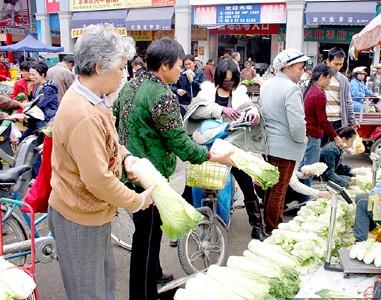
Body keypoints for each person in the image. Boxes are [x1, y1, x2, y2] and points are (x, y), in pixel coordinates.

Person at [114, 38, 231, 300]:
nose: (182, 71)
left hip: (130, 170)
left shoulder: (130, 85)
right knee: (146, 237)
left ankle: (154, 272)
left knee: (148, 230)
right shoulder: (163, 95)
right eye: (179, 66)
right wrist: (210, 155)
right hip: (149, 178)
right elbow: (180, 142)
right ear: (165, 65)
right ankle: (142, 294)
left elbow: (116, 118)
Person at [47, 24, 154, 300]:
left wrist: (126, 157)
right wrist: (138, 201)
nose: (124, 75)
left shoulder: (94, 99)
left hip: (91, 214)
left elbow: (110, 142)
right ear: (98, 67)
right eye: (120, 68)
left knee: (103, 284)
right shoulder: (84, 114)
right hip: (78, 218)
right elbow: (97, 180)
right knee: (89, 292)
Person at [184, 59, 267, 240]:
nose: (228, 84)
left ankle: (257, 227)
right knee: (189, 186)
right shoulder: (206, 92)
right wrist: (221, 109)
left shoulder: (240, 95)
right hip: (207, 147)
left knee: (246, 184)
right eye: (225, 80)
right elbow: (194, 111)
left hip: (231, 148)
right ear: (219, 78)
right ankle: (182, 227)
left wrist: (253, 114)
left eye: (232, 80)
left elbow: (251, 108)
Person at [260, 48, 309, 233]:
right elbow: (297, 124)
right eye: (299, 68)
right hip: (285, 146)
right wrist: (301, 139)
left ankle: (268, 224)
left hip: (269, 144)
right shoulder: (291, 89)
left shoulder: (267, 85)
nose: (302, 71)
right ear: (287, 68)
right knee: (279, 190)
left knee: (271, 188)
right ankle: (274, 228)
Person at [297, 64, 344, 202]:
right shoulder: (318, 94)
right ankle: (304, 200)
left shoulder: (312, 89)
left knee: (303, 168)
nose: (329, 81)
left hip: (308, 133)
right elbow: (323, 120)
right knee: (309, 171)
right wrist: (336, 137)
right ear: (322, 77)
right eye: (328, 78)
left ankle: (300, 197)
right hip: (313, 135)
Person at [323, 48, 358, 139]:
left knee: (336, 149)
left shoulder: (343, 80)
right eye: (336, 64)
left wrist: (352, 120)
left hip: (338, 121)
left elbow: (348, 101)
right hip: (322, 121)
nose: (338, 67)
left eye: (341, 64)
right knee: (320, 150)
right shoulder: (319, 77)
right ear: (328, 61)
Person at [23, 62, 58, 139]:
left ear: (42, 75)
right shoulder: (37, 86)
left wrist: (26, 106)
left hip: (46, 120)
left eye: (34, 74)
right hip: (38, 118)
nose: (31, 77)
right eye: (30, 74)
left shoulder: (49, 88)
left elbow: (39, 104)